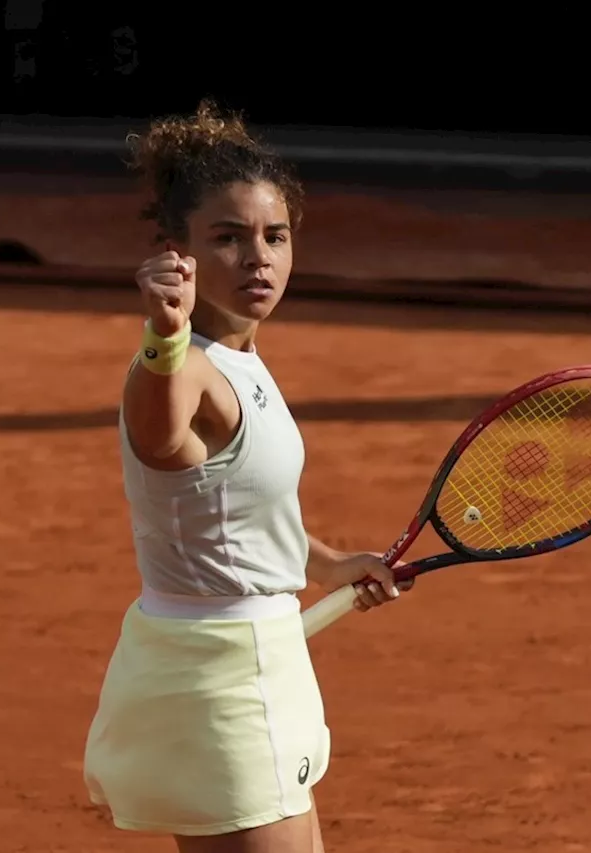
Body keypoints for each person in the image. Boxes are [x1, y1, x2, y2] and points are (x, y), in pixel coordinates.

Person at [82, 100, 412, 853]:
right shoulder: (186, 365)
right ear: (178, 253)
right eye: (227, 239)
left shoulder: (241, 358)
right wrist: (163, 337)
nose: (257, 257)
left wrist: (330, 565)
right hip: (223, 681)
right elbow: (161, 436)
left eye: (275, 236)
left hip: (250, 662)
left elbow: (239, 514)